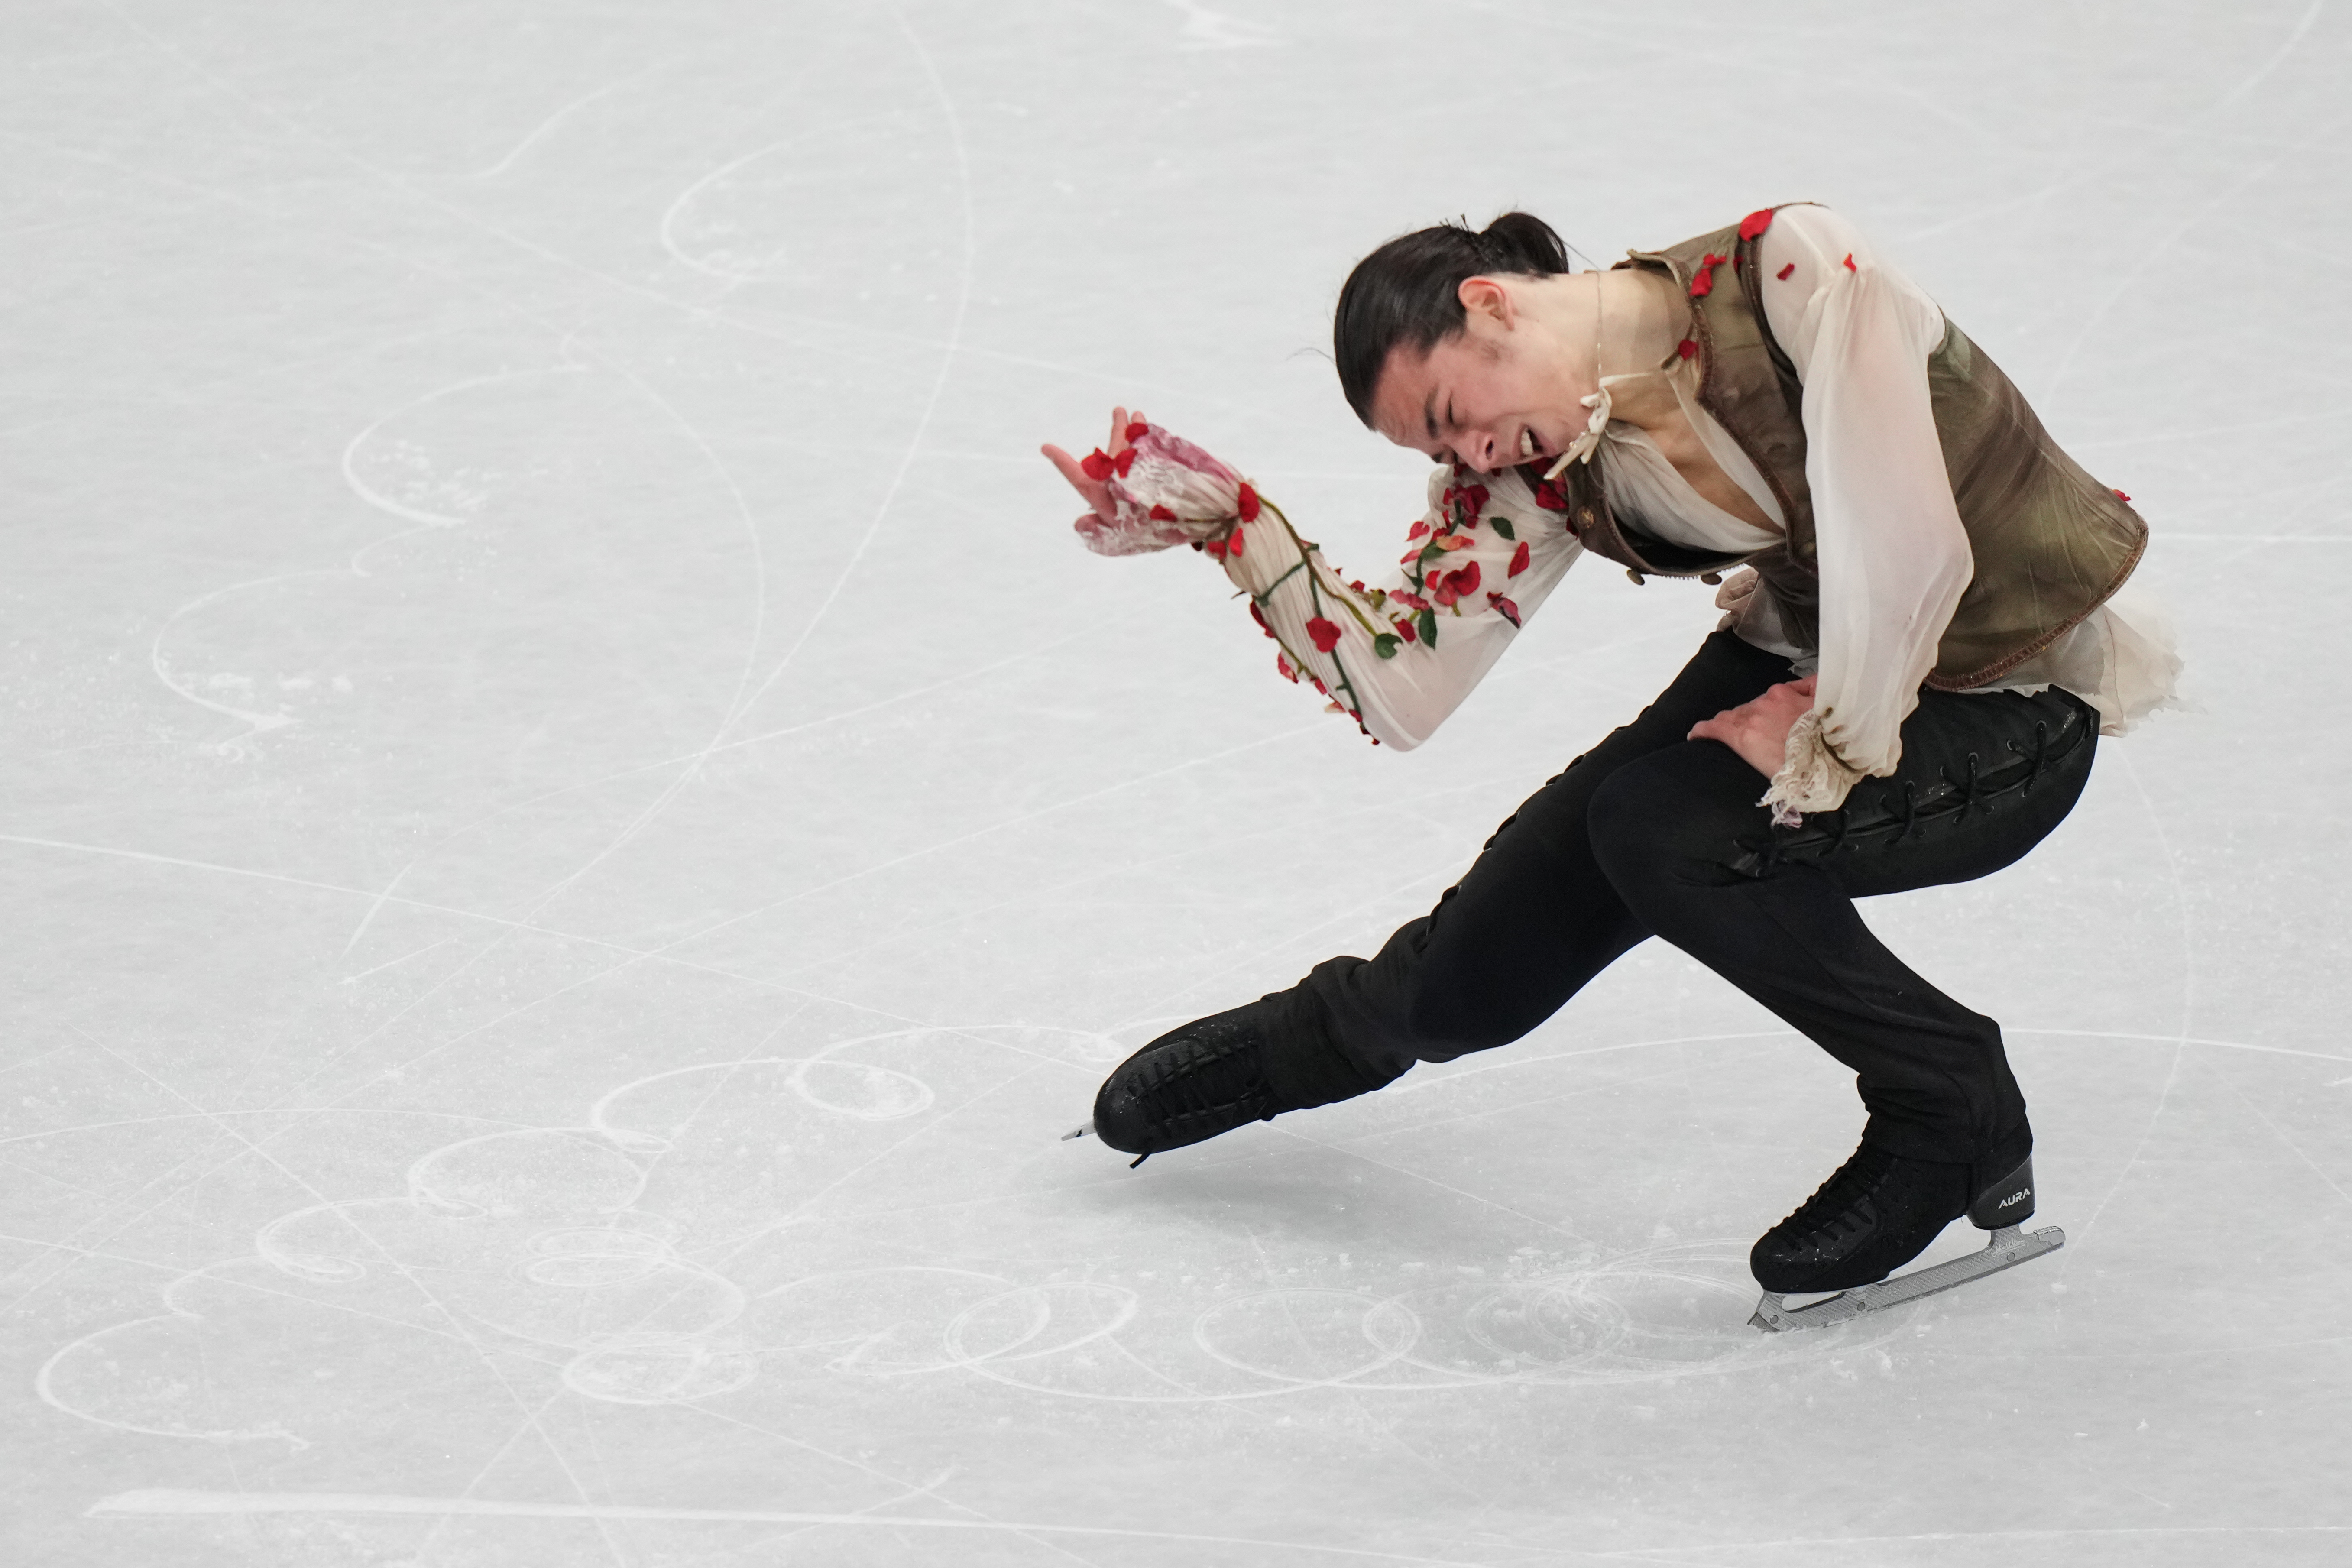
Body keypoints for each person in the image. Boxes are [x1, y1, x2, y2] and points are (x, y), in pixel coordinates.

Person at [1040, 203, 2177, 1311]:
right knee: (1513, 920)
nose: (1473, 453)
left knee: (1661, 826)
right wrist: (1235, 526)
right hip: (1815, 660)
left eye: (1453, 412)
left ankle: (1951, 1105)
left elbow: (1909, 539)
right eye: (1441, 449)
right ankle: (1336, 1028)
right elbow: (1404, 688)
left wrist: (1837, 729)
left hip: (2010, 687)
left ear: (1490, 304)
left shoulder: (1797, 275)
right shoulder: (1541, 463)